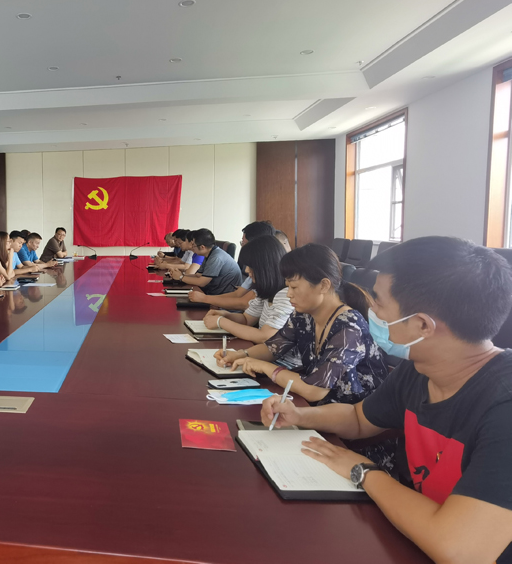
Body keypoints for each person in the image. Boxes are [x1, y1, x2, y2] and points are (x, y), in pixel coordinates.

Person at [260, 237, 512, 564]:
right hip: (409, 534)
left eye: (378, 302)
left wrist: (363, 472)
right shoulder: (419, 369)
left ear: (422, 325)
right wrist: (299, 416)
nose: (371, 310)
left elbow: (461, 550)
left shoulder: (503, 405)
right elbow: (359, 419)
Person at [216, 243, 393, 472]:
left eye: (294, 287)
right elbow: (274, 346)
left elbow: (314, 390)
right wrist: (241, 355)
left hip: (352, 437)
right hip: (315, 416)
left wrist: (266, 368)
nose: (288, 294)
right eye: (287, 286)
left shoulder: (349, 326)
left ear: (324, 285)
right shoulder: (305, 315)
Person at [204, 236, 293, 343]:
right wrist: (226, 315)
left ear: (265, 267)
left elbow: (265, 337)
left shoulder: (286, 295)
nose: (246, 270)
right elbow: (246, 320)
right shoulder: (265, 290)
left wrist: (221, 322)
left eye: (250, 266)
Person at [169, 229, 242, 296]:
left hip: (223, 297)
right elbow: (198, 275)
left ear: (202, 247)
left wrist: (181, 277)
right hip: (212, 292)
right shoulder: (208, 254)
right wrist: (180, 275)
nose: (192, 248)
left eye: (193, 245)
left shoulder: (216, 257)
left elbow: (202, 282)